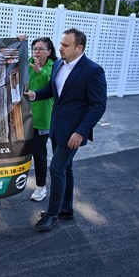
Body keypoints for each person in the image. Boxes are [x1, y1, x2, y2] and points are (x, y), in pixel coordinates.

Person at [24, 28, 107, 232]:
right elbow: (53, 91)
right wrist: (35, 95)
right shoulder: (59, 64)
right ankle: (66, 209)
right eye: (61, 44)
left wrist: (81, 132)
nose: (60, 48)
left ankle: (53, 215)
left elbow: (98, 105)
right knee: (67, 168)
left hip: (74, 132)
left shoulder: (93, 70)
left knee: (57, 168)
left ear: (79, 48)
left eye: (65, 45)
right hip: (57, 127)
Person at [28, 37, 58, 202]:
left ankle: (41, 187)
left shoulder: (54, 67)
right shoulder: (29, 61)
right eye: (34, 49)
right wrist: (18, 41)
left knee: (39, 154)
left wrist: (40, 72)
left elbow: (49, 85)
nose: (37, 52)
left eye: (41, 49)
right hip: (23, 116)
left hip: (42, 119)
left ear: (49, 51)